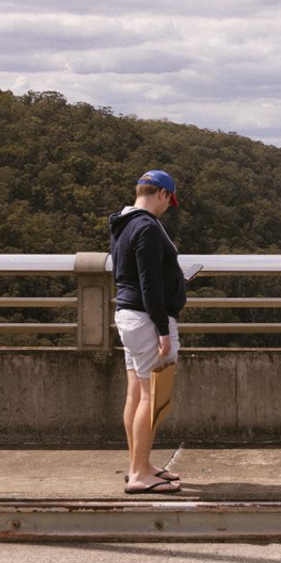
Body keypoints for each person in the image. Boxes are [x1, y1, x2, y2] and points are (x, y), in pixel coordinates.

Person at [109, 168, 188, 495]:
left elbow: (134, 273)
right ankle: (140, 474)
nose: (168, 206)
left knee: (136, 393)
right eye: (169, 200)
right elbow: (149, 283)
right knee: (152, 396)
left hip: (128, 315)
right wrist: (161, 328)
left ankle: (139, 465)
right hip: (146, 320)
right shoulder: (148, 229)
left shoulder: (123, 224)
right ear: (162, 195)